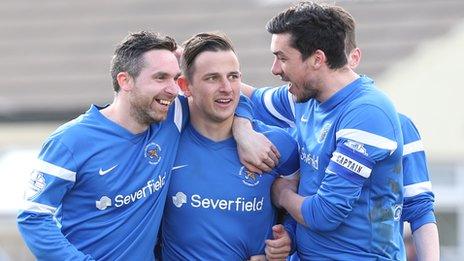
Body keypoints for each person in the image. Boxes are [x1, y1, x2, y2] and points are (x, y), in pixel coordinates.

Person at [17, 31, 278, 260]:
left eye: (176, 79)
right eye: (160, 77)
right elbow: (33, 217)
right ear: (125, 81)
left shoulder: (170, 117)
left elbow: (223, 95)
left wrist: (243, 127)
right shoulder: (71, 141)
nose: (173, 90)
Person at [241, 2, 405, 259]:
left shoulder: (366, 113)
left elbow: (325, 213)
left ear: (317, 59)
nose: (274, 69)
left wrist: (282, 194)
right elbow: (246, 97)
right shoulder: (304, 99)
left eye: (282, 58)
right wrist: (188, 61)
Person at [160, 32, 299, 261]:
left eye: (233, 77)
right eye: (212, 78)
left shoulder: (277, 144)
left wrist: (288, 239)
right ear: (186, 85)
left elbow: (297, 204)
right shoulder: (165, 142)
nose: (227, 88)